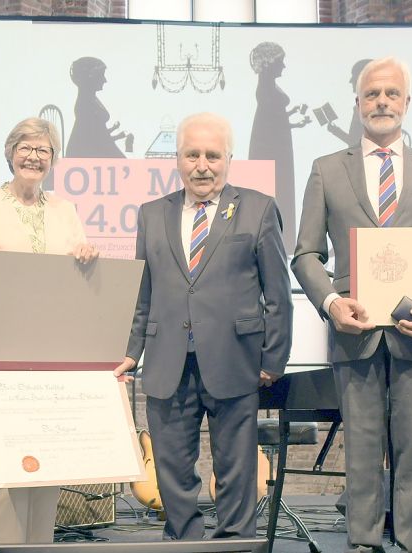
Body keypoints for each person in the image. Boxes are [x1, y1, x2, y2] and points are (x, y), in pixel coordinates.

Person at [291, 57, 412, 553]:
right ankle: (363, 542)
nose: (382, 102)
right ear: (357, 104)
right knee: (363, 448)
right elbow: (305, 253)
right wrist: (330, 302)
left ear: (407, 103)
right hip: (355, 331)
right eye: (372, 94)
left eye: (392, 94)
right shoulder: (327, 170)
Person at [114, 112, 293, 540]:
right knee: (172, 470)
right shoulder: (151, 213)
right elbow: (143, 293)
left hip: (237, 360)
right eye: (192, 154)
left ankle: (234, 545)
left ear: (228, 159)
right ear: (177, 159)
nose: (202, 165)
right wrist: (129, 351)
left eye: (212, 155)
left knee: (236, 469)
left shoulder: (258, 208)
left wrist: (273, 358)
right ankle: (186, 544)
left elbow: (278, 294)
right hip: (166, 361)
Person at [0, 117, 98, 545]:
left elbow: (79, 280)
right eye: (26, 148)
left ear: (53, 160)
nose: (34, 156)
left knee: (48, 466)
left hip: (54, 359)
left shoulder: (65, 210)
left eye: (43, 150)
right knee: (8, 468)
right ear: (11, 153)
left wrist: (87, 253)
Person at [248, 41, 311, 251]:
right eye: (281, 61)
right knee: (279, 189)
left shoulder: (268, 85)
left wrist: (292, 116)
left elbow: (275, 117)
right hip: (272, 149)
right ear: (271, 63)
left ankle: (285, 241)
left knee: (281, 190)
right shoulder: (266, 86)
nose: (284, 66)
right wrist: (295, 121)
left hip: (276, 144)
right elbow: (273, 122)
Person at [67, 57, 132, 158]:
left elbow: (99, 135)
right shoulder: (86, 104)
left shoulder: (90, 99)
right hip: (83, 158)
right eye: (101, 75)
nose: (105, 80)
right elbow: (100, 140)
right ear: (90, 77)